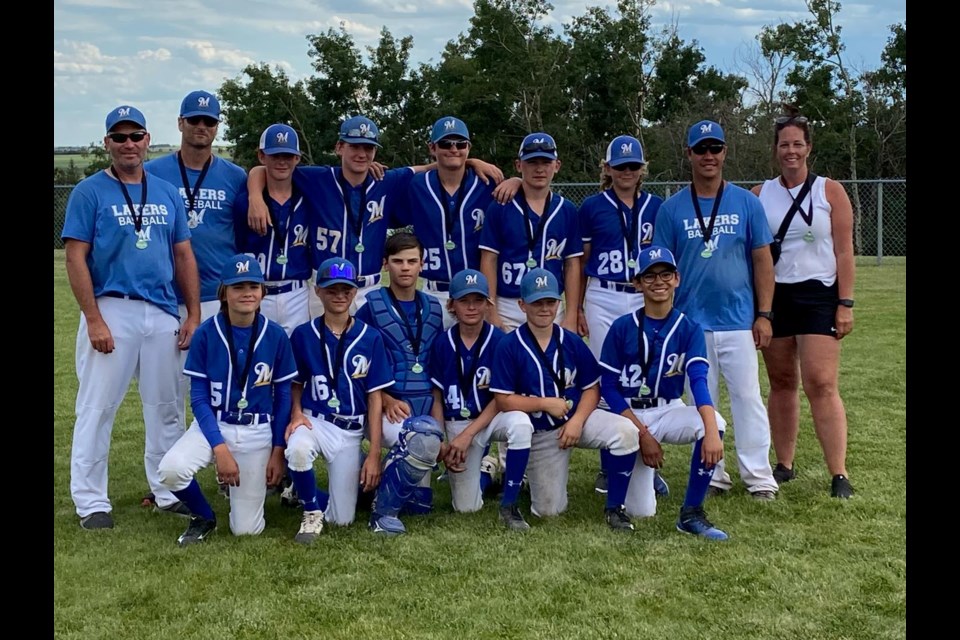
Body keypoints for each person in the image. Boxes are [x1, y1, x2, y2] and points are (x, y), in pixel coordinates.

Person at [62, 104, 201, 529]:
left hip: (160, 310)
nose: (128, 144)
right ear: (106, 143)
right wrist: (93, 319)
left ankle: (166, 489)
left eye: (135, 136)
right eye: (119, 137)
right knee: (98, 406)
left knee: (166, 407)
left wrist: (192, 313)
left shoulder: (164, 191)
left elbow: (182, 254)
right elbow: (75, 256)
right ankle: (91, 501)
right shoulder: (89, 191)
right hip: (112, 306)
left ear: (146, 140)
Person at [246, 115, 502, 317]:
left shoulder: (387, 180)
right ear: (339, 147)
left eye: (368, 147)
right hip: (326, 287)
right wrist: (255, 197)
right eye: (354, 146)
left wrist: (470, 162)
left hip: (369, 289)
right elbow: (264, 168)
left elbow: (436, 164)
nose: (362, 154)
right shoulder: (318, 178)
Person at [653, 119, 779, 501]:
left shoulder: (746, 202)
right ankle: (713, 474)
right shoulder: (672, 208)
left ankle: (759, 478)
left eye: (715, 148)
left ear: (725, 152)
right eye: (701, 149)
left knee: (748, 399)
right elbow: (661, 270)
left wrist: (765, 314)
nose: (709, 156)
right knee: (701, 402)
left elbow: (762, 261)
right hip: (692, 323)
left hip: (739, 320)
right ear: (688, 154)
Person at [143, 90, 247, 495]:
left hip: (219, 298)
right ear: (180, 123)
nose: (202, 127)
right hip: (169, 301)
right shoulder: (154, 173)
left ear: (217, 128)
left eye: (210, 121)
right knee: (168, 398)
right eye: (195, 120)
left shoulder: (236, 176)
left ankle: (228, 473)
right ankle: (167, 485)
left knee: (224, 392)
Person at [751, 107, 856, 499]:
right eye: (784, 145)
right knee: (781, 382)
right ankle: (784, 464)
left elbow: (845, 252)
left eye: (798, 144)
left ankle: (839, 473)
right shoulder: (760, 195)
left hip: (819, 295)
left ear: (808, 148)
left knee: (821, 382)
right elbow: (755, 254)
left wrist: (845, 302)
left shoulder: (830, 191)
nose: (791, 151)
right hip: (776, 297)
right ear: (776, 150)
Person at [157, 255, 298, 545]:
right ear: (224, 292)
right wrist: (220, 449)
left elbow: (283, 396)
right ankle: (203, 516)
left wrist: (277, 451)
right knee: (171, 470)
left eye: (253, 286)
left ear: (262, 292)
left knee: (246, 530)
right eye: (237, 287)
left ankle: (274, 487)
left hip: (257, 429)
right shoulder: (207, 332)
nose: (246, 293)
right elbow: (198, 397)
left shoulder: (275, 335)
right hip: (214, 424)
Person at [489, 268, 640, 530]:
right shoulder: (509, 345)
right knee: (549, 511)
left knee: (626, 430)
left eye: (550, 302)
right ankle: (521, 481)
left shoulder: (570, 341)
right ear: (522, 305)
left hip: (575, 421)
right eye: (537, 302)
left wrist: (578, 421)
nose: (545, 309)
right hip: (542, 432)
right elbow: (503, 400)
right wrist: (544, 403)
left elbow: (593, 388)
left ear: (559, 303)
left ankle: (615, 507)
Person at [599, 246, 729, 540]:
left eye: (666, 274)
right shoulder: (622, 327)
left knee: (716, 423)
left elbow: (698, 381)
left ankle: (692, 513)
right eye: (650, 276)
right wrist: (644, 435)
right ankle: (625, 489)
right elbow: (608, 386)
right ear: (638, 283)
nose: (659, 282)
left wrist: (709, 430)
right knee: (642, 510)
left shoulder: (689, 328)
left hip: (667, 407)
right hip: (627, 414)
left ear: (677, 278)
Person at [577, 134, 667, 498]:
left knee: (646, 378)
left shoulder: (657, 206)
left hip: (643, 295)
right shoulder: (591, 207)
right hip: (604, 293)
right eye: (620, 166)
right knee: (607, 377)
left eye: (633, 166)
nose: (626, 171)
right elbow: (581, 262)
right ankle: (610, 462)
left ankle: (645, 463)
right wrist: (579, 306)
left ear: (642, 169)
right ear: (607, 169)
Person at [284, 258, 394, 543]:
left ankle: (302, 489)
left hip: (350, 430)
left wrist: (373, 454)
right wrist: (296, 414)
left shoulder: (370, 337)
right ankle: (310, 510)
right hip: (316, 420)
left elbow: (374, 397)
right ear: (318, 291)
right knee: (297, 448)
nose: (340, 296)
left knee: (342, 519)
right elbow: (296, 384)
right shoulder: (303, 334)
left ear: (355, 292)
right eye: (332, 290)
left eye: (346, 289)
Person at [428, 269, 534, 530]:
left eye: (478, 300)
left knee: (520, 423)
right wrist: (441, 439)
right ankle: (486, 471)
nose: (472, 307)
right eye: (464, 301)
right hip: (457, 421)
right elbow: (437, 396)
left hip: (492, 416)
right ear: (451, 305)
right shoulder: (442, 343)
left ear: (489, 303)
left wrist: (467, 437)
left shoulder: (502, 341)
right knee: (466, 508)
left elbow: (501, 399)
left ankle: (509, 504)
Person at [355, 231, 446, 535]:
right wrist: (388, 399)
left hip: (422, 409)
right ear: (385, 265)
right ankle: (382, 514)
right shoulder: (371, 307)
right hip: (386, 408)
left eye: (411, 261)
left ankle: (371, 490)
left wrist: (439, 421)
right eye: (397, 261)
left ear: (422, 264)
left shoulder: (434, 309)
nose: (405, 268)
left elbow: (435, 373)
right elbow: (361, 368)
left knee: (420, 506)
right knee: (420, 440)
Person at [397, 116, 507, 328]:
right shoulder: (417, 185)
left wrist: (517, 181)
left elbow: (525, 195)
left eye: (460, 144)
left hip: (476, 293)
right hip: (434, 291)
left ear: (468, 147)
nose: (454, 149)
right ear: (432, 148)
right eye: (446, 144)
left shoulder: (487, 183)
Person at [480, 132, 583, 333]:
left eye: (545, 162)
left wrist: (570, 315)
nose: (539, 168)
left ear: (557, 166)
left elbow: (572, 263)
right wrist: (491, 311)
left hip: (549, 304)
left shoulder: (567, 209)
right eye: (532, 162)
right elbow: (489, 259)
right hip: (509, 302)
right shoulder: (501, 205)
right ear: (519, 165)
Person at [234, 124, 313, 336]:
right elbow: (239, 245)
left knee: (296, 361)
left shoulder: (309, 198)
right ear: (261, 156)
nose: (281, 161)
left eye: (288, 155)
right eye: (275, 155)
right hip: (259, 292)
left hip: (297, 291)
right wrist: (254, 196)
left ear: (297, 158)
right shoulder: (246, 203)